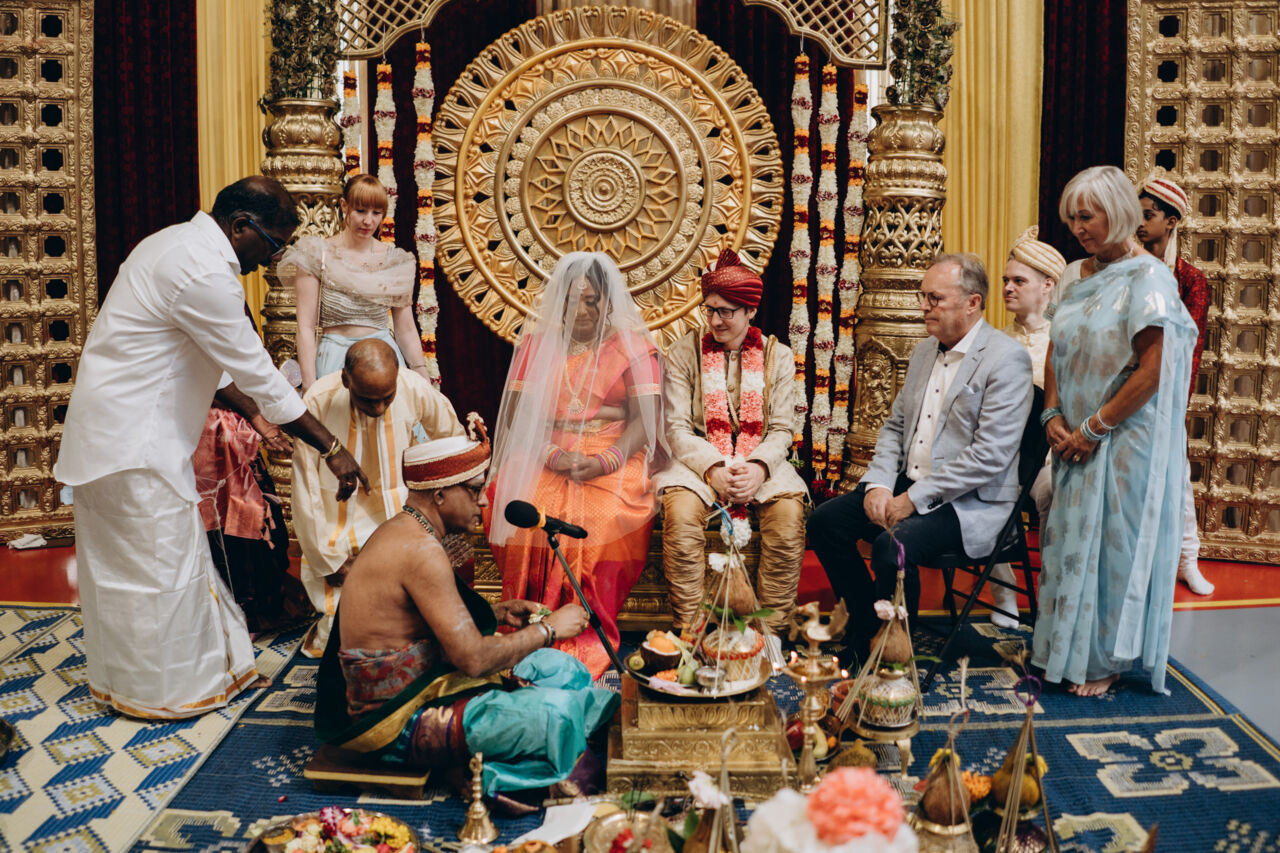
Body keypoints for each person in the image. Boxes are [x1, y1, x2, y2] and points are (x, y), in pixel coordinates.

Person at [54, 177, 367, 719]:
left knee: (153, 567)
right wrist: (331, 446)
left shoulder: (172, 244)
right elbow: (259, 374)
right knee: (157, 573)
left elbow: (217, 367)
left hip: (119, 436)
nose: (272, 260)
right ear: (241, 226)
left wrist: (254, 417)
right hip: (133, 444)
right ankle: (164, 695)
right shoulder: (202, 271)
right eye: (274, 244)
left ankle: (182, 676)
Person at [315, 425, 616, 800]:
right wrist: (549, 630)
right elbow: (473, 659)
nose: (484, 502)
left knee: (562, 669)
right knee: (555, 712)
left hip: (429, 681)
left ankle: (540, 735)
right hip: (396, 718)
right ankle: (485, 771)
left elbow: (414, 619)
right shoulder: (420, 551)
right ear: (440, 494)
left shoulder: (406, 530)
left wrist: (497, 612)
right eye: (474, 490)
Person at [807, 253, 1032, 665]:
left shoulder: (1007, 359)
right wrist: (878, 485)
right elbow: (895, 427)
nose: (924, 306)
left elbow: (990, 456)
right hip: (909, 483)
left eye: (935, 298)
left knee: (891, 545)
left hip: (970, 501)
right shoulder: (924, 352)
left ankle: (893, 658)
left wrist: (912, 500)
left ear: (972, 303)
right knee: (825, 522)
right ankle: (868, 627)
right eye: (923, 296)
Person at [1031, 165, 1197, 696]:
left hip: (1123, 438)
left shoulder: (1149, 278)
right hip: (1071, 437)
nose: (1077, 228)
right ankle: (1061, 649)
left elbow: (1154, 369)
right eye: (1071, 219)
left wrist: (1095, 428)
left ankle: (1105, 659)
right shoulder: (1075, 273)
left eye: (1087, 217)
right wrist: (1052, 415)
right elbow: (1056, 347)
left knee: (1111, 547)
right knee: (1067, 543)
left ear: (1118, 211)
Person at [486, 252, 662, 678]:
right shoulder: (536, 346)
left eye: (592, 300)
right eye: (572, 300)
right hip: (546, 448)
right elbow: (516, 418)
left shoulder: (633, 348)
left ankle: (582, 626)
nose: (581, 310)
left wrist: (605, 461)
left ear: (608, 301)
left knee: (600, 518)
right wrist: (552, 454)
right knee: (519, 505)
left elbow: (645, 420)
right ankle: (531, 622)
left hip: (614, 450)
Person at [654, 248, 809, 636]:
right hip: (698, 458)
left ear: (750, 310)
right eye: (709, 310)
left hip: (761, 460)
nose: (715, 320)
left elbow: (781, 429)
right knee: (680, 515)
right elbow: (676, 428)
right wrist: (713, 468)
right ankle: (690, 633)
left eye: (726, 311)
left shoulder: (778, 356)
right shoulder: (684, 351)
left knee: (788, 519)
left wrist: (757, 468)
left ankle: (769, 637)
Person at [293, 338, 463, 657]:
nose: (379, 409)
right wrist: (328, 559)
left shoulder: (413, 387)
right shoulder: (318, 400)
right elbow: (306, 485)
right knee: (341, 636)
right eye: (368, 400)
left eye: (387, 398)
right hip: (339, 524)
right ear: (346, 380)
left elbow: (453, 440)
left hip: (403, 517)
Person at [1137, 170, 1213, 596]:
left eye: (1148, 215)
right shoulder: (1123, 269)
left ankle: (1187, 559)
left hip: (1164, 395)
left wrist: (1173, 405)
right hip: (1124, 391)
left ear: (1171, 222)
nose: (1139, 222)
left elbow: (1191, 348)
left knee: (1177, 480)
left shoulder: (1190, 279)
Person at [277, 174, 424, 393]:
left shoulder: (395, 260)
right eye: (361, 211)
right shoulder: (316, 254)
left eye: (376, 213)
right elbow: (305, 327)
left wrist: (422, 377)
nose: (368, 221)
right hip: (335, 360)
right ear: (344, 206)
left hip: (384, 359)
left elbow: (406, 330)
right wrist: (309, 384)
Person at [987, 226, 1066, 628]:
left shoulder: (1065, 341)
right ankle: (1003, 592)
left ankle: (1051, 595)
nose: (1007, 288)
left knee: (1054, 489)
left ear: (1047, 286)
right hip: (999, 457)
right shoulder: (994, 341)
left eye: (1019, 281)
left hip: (1048, 459)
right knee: (977, 488)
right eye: (1006, 280)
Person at [194, 384, 311, 635]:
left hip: (229, 427)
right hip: (202, 430)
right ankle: (226, 610)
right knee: (211, 516)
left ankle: (252, 608)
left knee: (248, 511)